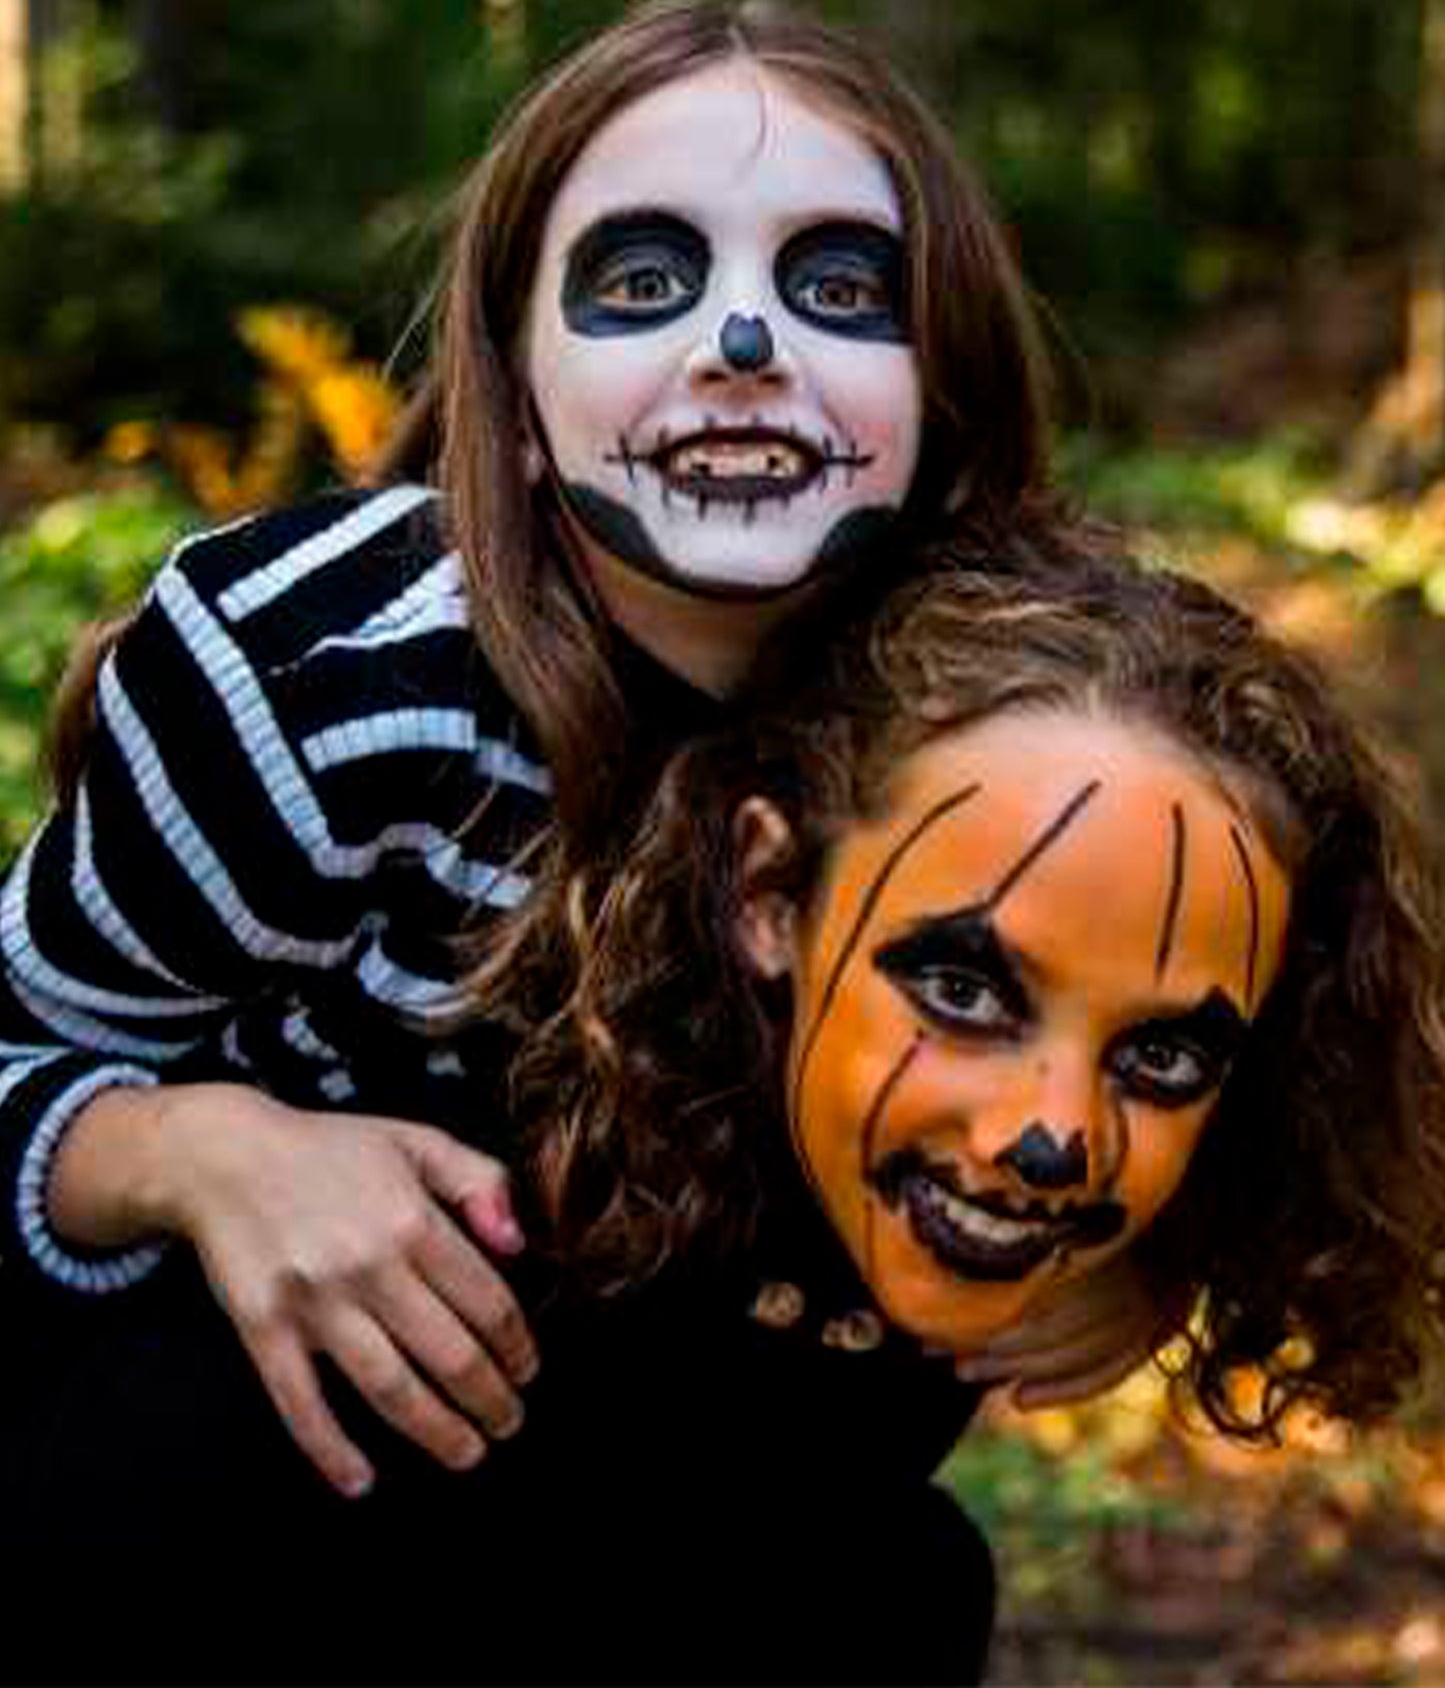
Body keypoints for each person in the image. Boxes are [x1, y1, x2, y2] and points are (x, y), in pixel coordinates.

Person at [0, 0, 1149, 1513]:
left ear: (941, 391)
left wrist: (1155, 1239)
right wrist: (191, 1151)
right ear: (517, 393)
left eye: (841, 288)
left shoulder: (1057, 720)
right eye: (643, 278)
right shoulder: (314, 676)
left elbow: (1251, 1046)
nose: (741, 341)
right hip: (240, 1511)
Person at [5, 525, 1443, 1688]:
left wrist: (1167, 1254)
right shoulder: (399, 1210)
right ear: (767, 894)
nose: (1047, 1134)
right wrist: (178, 1149)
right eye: (962, 990)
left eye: (1159, 1060)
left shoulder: (875, 1535)